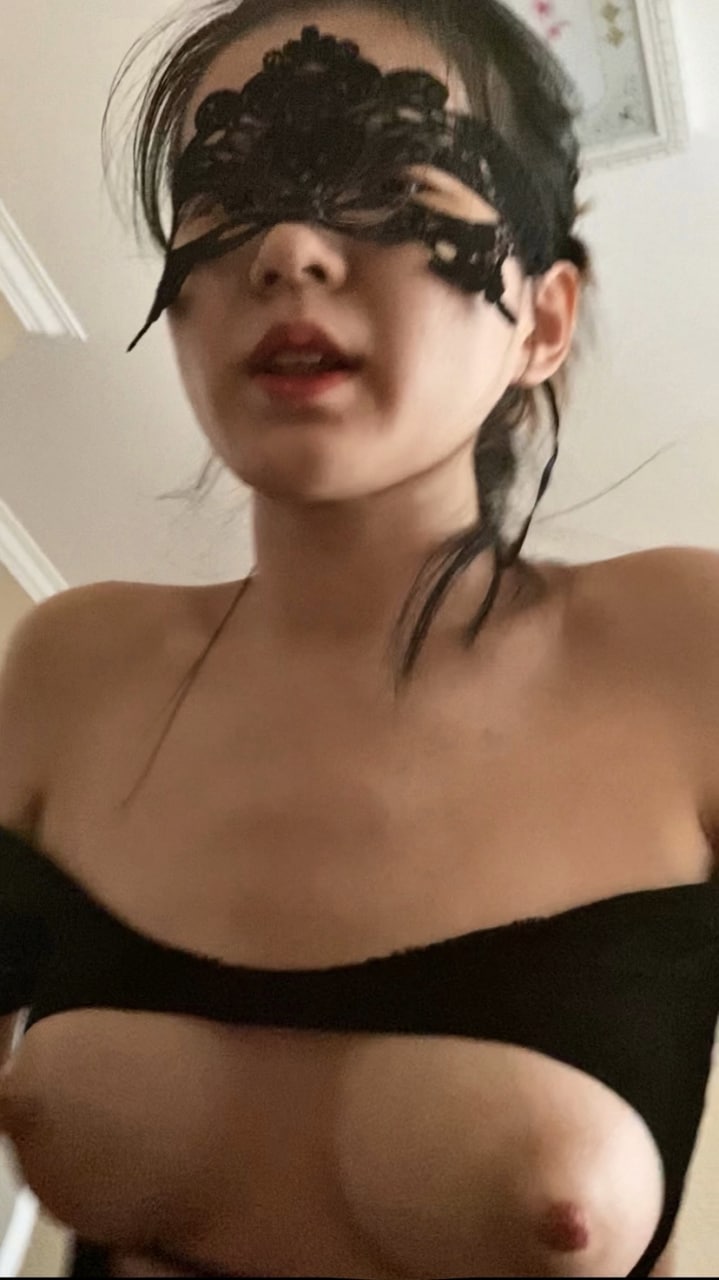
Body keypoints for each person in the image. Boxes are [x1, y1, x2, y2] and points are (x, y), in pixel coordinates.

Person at [0, 0, 717, 1276]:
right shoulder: (68, 669)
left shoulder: (684, 656)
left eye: (390, 182)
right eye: (227, 192)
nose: (285, 248)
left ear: (541, 321)